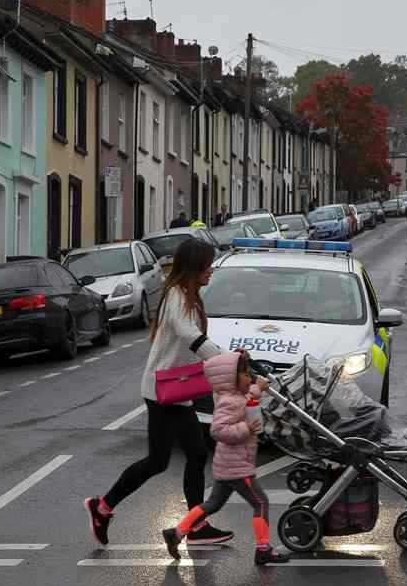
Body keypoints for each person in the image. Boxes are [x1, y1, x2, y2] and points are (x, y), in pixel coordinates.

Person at [85, 239, 233, 546]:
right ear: (193, 267)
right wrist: (225, 359)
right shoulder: (177, 296)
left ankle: (191, 524)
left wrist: (225, 355)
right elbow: (188, 334)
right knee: (164, 460)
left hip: (177, 389)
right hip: (163, 391)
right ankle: (103, 507)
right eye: (207, 266)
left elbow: (192, 338)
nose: (211, 271)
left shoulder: (188, 296)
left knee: (188, 455)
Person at [162, 352, 289, 565]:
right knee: (261, 503)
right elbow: (218, 430)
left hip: (227, 466)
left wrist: (258, 388)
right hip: (237, 467)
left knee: (212, 504)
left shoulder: (234, 397)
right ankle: (263, 548)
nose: (250, 379)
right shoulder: (230, 402)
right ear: (232, 379)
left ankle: (176, 533)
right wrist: (245, 428)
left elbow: (247, 398)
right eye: (246, 375)